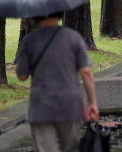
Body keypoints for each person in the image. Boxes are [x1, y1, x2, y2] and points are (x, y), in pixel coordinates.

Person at [17, 12, 99, 152]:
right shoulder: (73, 37)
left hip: (40, 106)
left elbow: (22, 75)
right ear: (60, 13)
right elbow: (86, 72)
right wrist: (92, 103)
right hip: (69, 104)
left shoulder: (30, 40)